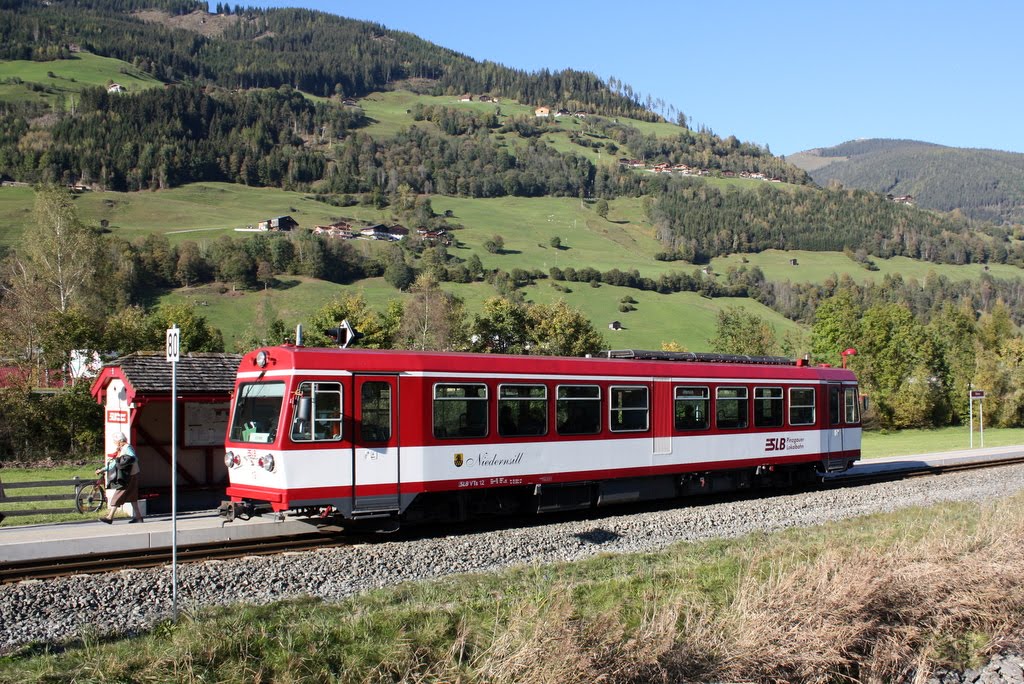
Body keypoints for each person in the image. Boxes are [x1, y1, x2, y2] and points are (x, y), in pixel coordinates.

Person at [97, 431, 143, 524]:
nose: (115, 443)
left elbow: (133, 458)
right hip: (133, 474)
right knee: (132, 497)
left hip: (129, 476)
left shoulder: (127, 448)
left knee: (118, 494)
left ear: (120, 441)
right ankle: (138, 518)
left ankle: (110, 517)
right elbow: (115, 462)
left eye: (115, 441)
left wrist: (123, 462)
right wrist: (104, 469)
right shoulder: (123, 449)